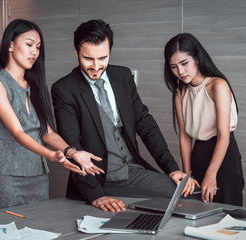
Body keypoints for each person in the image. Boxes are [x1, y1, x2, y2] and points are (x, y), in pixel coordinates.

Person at [51, 19, 198, 212]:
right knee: (188, 194)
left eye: (103, 58)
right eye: (88, 59)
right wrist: (96, 195)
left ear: (110, 51)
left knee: (191, 191)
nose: (96, 66)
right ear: (76, 52)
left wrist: (172, 168)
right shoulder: (64, 89)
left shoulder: (123, 77)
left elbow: (145, 124)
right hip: (102, 178)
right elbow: (72, 146)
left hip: (132, 169)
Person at [0, 19, 103, 209]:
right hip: (9, 171)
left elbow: (47, 133)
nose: (35, 52)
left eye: (38, 47)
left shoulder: (35, 85)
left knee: (37, 227)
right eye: (29, 44)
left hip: (38, 172)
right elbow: (18, 132)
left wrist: (73, 152)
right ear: (11, 45)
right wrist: (51, 155)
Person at [163, 33, 244, 206]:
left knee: (227, 218)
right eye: (174, 67)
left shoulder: (217, 85)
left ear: (197, 58)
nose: (180, 71)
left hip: (223, 157)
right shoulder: (180, 92)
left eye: (184, 63)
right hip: (197, 156)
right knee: (197, 213)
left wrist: (211, 174)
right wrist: (187, 175)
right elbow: (184, 136)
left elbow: (224, 136)